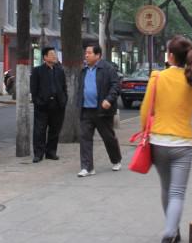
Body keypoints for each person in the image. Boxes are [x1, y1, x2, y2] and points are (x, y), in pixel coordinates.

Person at [139, 35, 192, 243]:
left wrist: (144, 133)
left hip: (158, 142)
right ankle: (168, 235)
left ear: (169, 56)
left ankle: (174, 230)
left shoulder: (157, 77)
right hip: (182, 144)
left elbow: (145, 110)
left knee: (166, 188)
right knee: (178, 193)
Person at [77, 44, 123, 177]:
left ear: (98, 55)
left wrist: (109, 99)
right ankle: (87, 167)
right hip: (86, 109)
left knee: (108, 137)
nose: (86, 55)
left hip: (102, 110)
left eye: (89, 53)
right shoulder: (84, 70)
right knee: (85, 138)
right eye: (86, 53)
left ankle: (116, 159)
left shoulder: (107, 68)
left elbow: (116, 86)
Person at [29, 47, 67, 163]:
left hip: (57, 105)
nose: (54, 56)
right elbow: (33, 89)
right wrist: (38, 101)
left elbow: (64, 87)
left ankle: (51, 152)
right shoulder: (37, 71)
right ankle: (38, 154)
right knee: (39, 131)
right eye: (51, 54)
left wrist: (64, 100)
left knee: (55, 130)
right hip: (42, 106)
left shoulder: (60, 70)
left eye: (54, 54)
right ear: (45, 57)